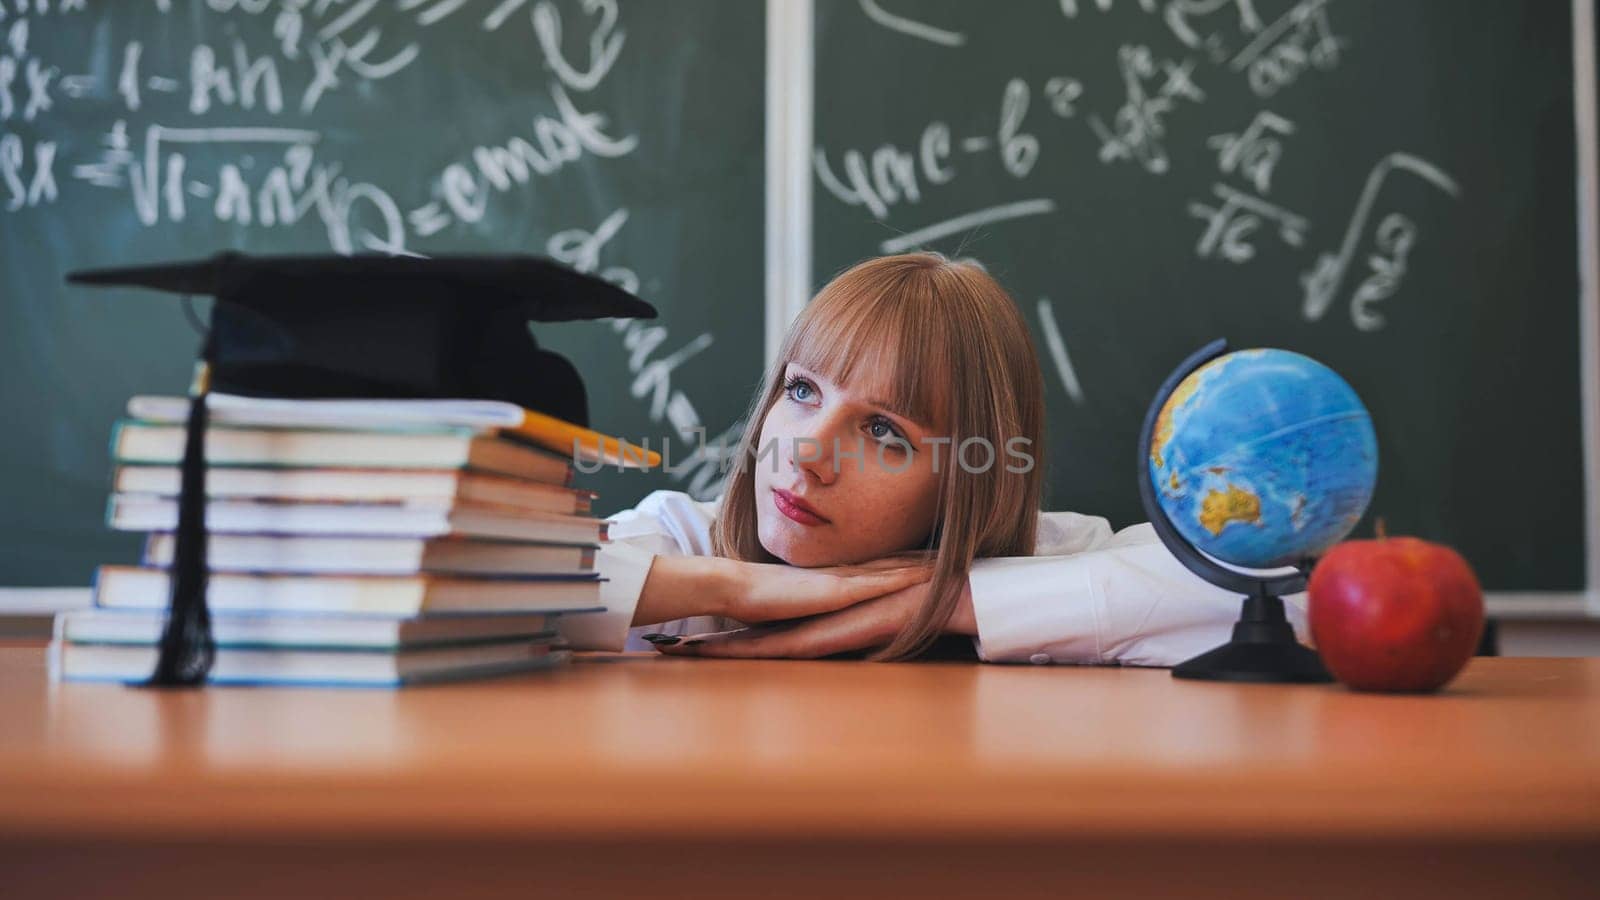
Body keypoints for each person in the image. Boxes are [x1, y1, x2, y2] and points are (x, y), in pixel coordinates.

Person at [558, 252, 1309, 665]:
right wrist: (735, 590)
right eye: (803, 390)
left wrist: (946, 600)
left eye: (884, 431)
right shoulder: (684, 541)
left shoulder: (1052, 559)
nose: (806, 452)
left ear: (968, 481)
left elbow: (1301, 600)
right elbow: (460, 589)